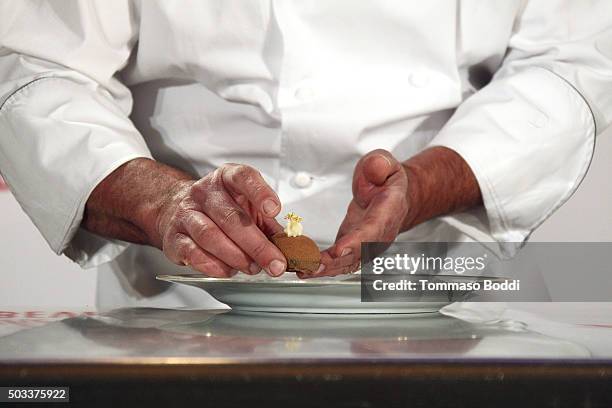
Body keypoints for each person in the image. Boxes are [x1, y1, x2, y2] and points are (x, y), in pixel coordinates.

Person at [0, 1, 610, 309]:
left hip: (447, 289)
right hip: (186, 302)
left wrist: (424, 186)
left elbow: (571, 56)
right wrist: (163, 202)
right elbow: (38, 63)